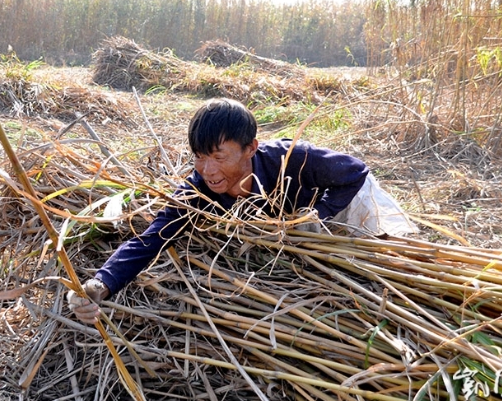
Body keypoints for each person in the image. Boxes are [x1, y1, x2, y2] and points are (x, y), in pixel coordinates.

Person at [68, 98, 417, 324]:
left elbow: (355, 173)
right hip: (290, 233)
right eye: (199, 157)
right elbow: (151, 240)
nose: (208, 170)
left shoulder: (291, 158)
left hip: (348, 206)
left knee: (384, 266)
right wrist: (101, 283)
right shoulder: (198, 190)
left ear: (251, 147)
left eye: (219, 157)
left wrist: (319, 217)